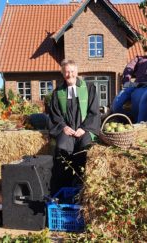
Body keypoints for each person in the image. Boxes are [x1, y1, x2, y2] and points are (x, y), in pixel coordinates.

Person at [48, 59, 101, 194]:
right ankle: (64, 186)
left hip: (84, 129)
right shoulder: (58, 92)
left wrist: (84, 128)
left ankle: (84, 186)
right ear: (62, 73)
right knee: (61, 147)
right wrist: (63, 127)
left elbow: (94, 111)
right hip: (68, 130)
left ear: (77, 72)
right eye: (66, 72)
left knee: (86, 148)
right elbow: (55, 114)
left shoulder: (89, 88)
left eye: (72, 71)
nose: (69, 75)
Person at [111, 50, 147, 120]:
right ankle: (128, 117)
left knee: (138, 97)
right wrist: (126, 81)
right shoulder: (140, 58)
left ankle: (138, 122)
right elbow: (128, 68)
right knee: (116, 105)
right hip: (135, 85)